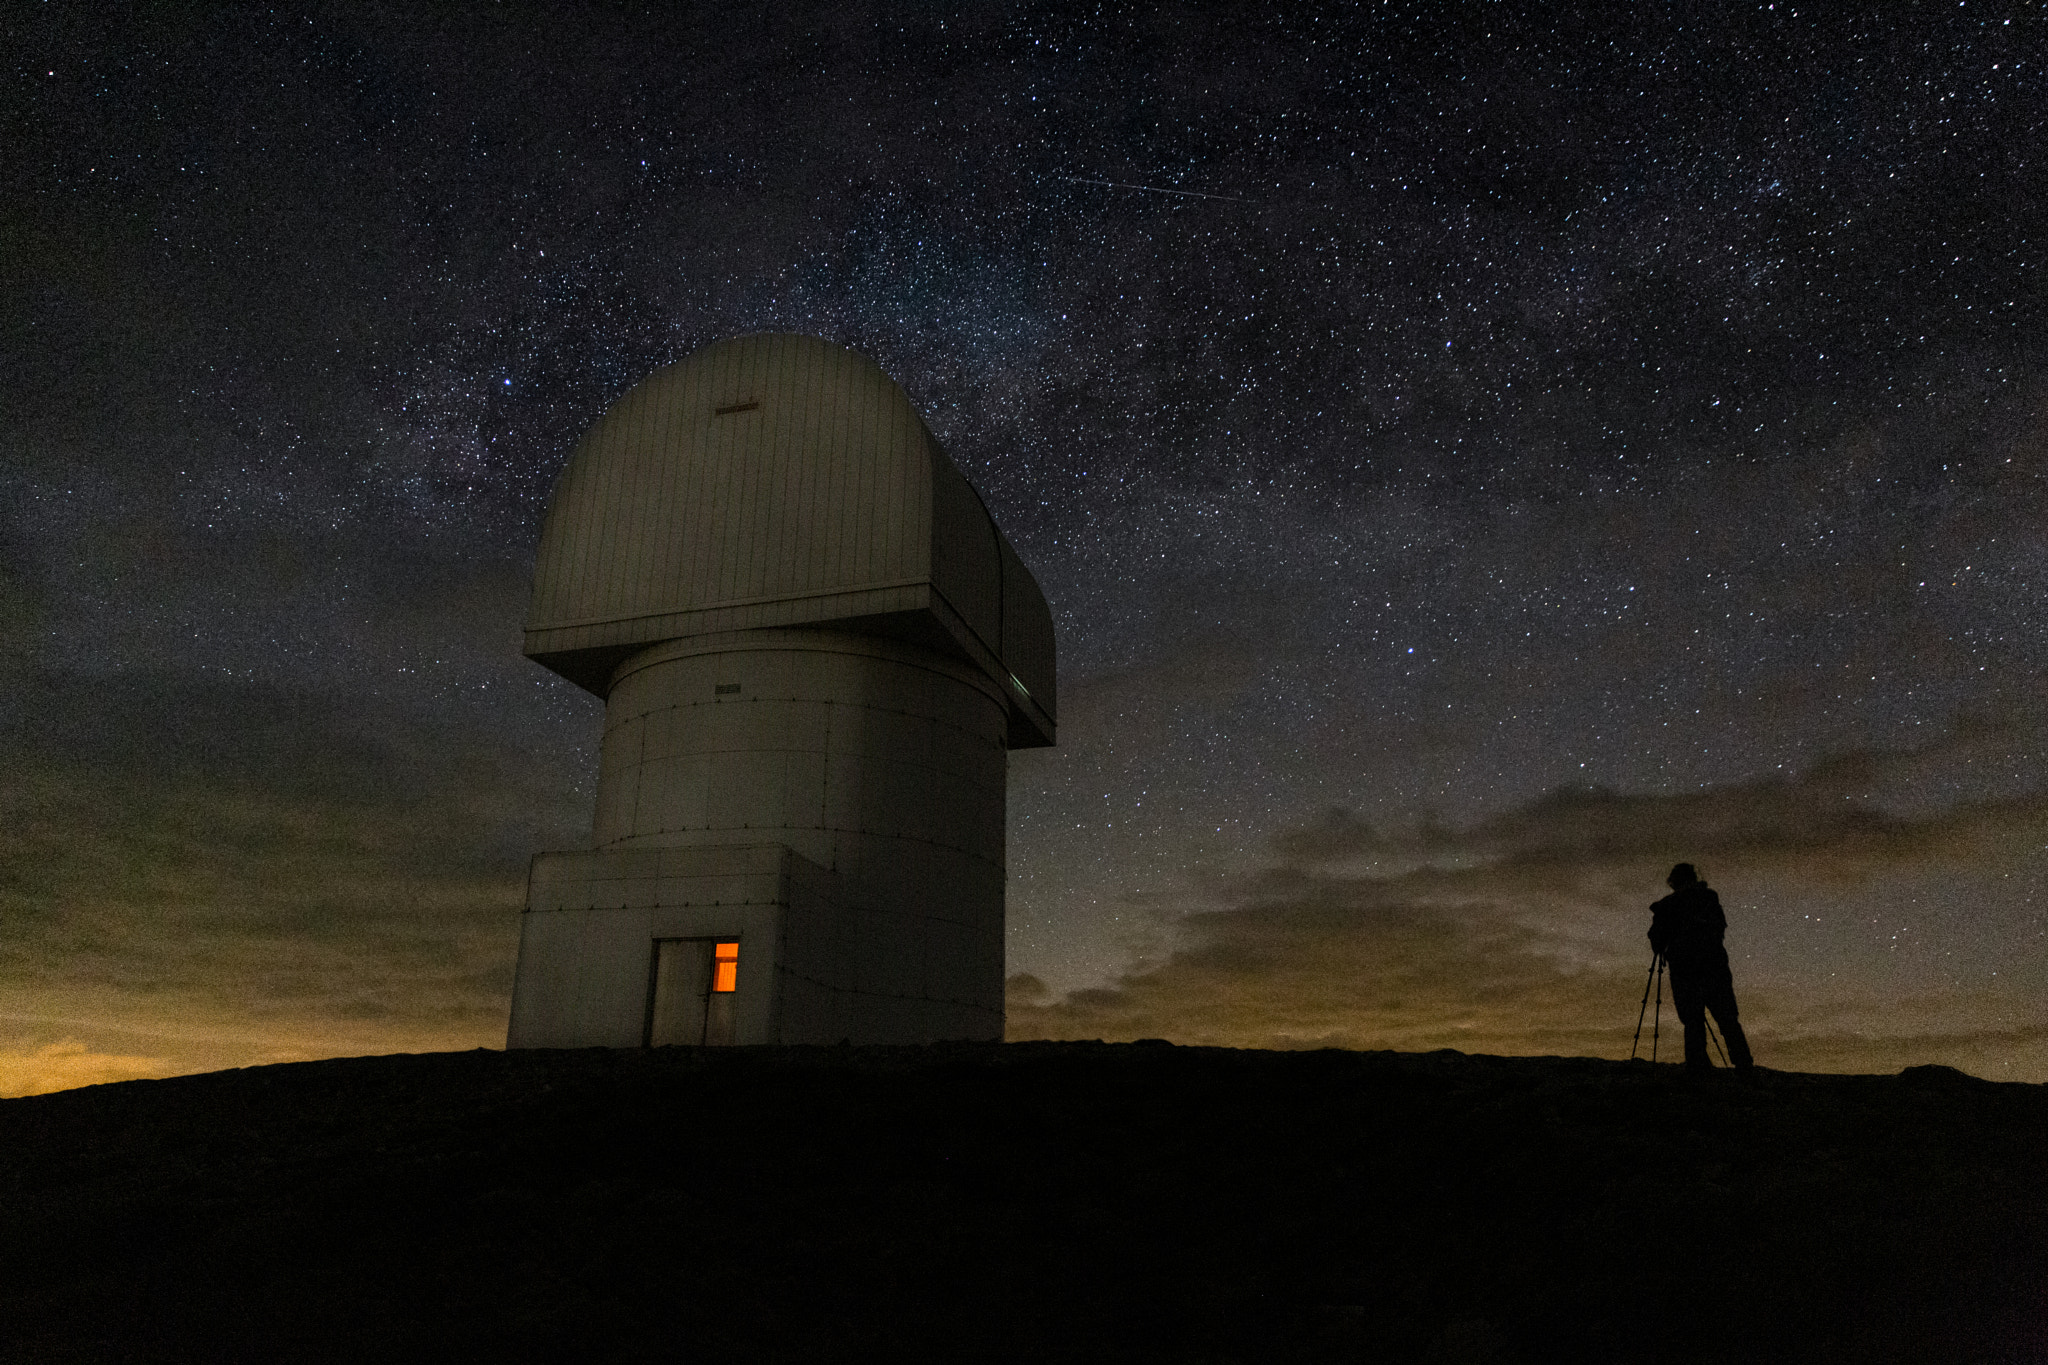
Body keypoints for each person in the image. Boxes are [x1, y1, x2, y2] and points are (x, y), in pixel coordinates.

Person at [1648, 863, 1755, 1073]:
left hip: (1684, 968)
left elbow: (1656, 939)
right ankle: (1743, 1063)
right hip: (1713, 965)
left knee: (1692, 1018)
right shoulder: (1708, 898)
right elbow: (1719, 927)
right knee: (1726, 1017)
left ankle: (1697, 1064)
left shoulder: (1668, 905)